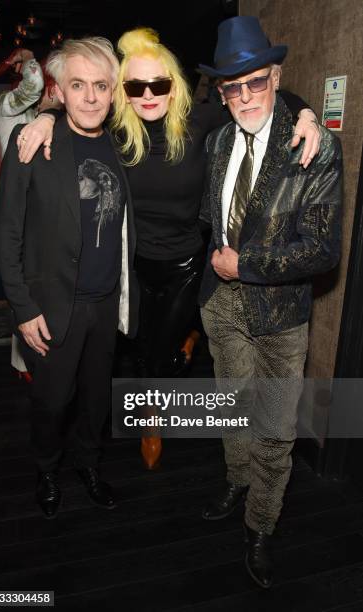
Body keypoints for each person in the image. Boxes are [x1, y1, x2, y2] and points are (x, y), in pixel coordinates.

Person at [16, 28, 320, 469]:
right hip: (131, 265)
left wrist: (307, 114)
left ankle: (153, 418)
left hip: (184, 265)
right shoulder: (114, 131)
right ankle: (180, 347)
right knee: (137, 344)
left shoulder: (203, 120)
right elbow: (71, 114)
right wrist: (44, 117)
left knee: (158, 354)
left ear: (174, 85)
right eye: (135, 86)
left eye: (157, 84)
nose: (147, 95)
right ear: (123, 92)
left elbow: (274, 94)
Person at [198, 16, 343, 588]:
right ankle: (237, 480)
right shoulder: (216, 142)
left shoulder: (313, 145)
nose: (244, 97)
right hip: (221, 307)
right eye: (232, 87)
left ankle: (262, 524)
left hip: (280, 315)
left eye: (255, 81)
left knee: (276, 428)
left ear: (277, 76)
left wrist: (247, 265)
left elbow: (323, 250)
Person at [0, 37, 139, 519]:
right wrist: (23, 307)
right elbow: (6, 234)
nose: (92, 97)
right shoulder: (31, 142)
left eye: (101, 85)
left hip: (106, 304)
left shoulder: (127, 147)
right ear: (60, 89)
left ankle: (89, 464)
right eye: (79, 85)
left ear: (115, 92)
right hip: (54, 307)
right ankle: (47, 469)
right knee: (52, 402)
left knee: (96, 402)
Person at [0, 47, 62, 376]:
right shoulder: (8, 111)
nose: (54, 93)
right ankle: (28, 366)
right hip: (19, 221)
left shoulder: (46, 121)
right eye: (53, 87)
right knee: (23, 293)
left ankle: (34, 363)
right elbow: (32, 84)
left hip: (42, 221)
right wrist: (29, 56)